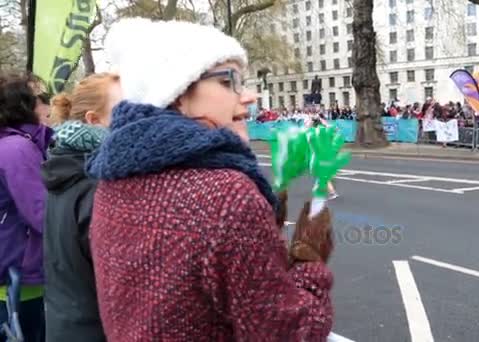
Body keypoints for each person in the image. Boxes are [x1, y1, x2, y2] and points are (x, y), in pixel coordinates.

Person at [85, 18, 334, 341]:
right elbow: (288, 333)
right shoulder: (227, 195)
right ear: (176, 92)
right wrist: (309, 261)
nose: (248, 96)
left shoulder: (112, 182)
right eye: (228, 80)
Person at [41, 72, 121, 342]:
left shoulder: (68, 165)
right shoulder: (97, 180)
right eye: (124, 109)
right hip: (94, 330)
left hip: (69, 324)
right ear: (93, 120)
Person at [0, 73, 52, 342]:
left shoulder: (11, 144)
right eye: (42, 99)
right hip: (17, 276)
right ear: (23, 105)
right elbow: (42, 214)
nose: (47, 105)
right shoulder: (17, 148)